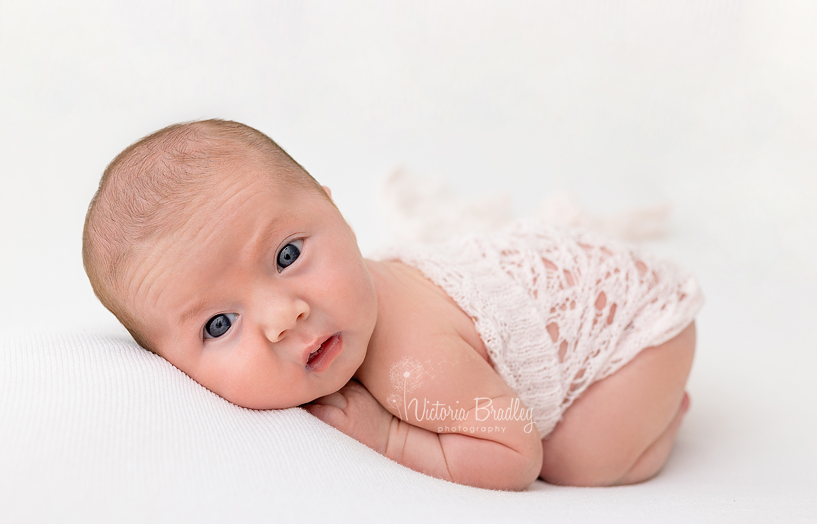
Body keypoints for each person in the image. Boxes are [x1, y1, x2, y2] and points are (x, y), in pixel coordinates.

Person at [82, 119, 703, 491]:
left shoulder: (413, 369)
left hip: (634, 331)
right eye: (220, 324)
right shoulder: (342, 310)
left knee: (573, 461)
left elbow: (516, 456)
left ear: (336, 211)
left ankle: (659, 424)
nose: (282, 318)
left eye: (288, 255)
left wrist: (391, 438)